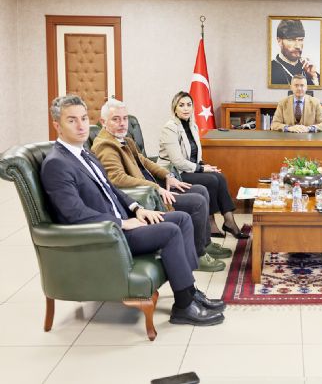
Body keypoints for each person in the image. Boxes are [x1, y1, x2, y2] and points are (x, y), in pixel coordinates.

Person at [41, 95, 224, 326]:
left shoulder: (83, 153)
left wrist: (137, 208)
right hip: (109, 234)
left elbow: (111, 188)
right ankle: (183, 306)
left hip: (124, 219)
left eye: (84, 118)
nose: (81, 125)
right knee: (170, 231)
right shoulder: (57, 163)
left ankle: (190, 291)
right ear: (57, 125)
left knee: (183, 219)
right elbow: (74, 214)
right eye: (72, 120)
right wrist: (122, 223)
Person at [92, 98, 231, 272]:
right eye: (116, 119)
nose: (122, 123)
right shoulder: (105, 146)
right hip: (144, 197)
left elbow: (145, 161)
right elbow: (117, 179)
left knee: (200, 190)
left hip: (153, 188)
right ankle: (197, 255)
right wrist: (156, 187)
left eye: (125, 118)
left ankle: (204, 243)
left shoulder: (123, 140)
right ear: (103, 121)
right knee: (197, 202)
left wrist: (167, 175)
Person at [158, 91, 250, 240]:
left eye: (189, 105)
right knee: (211, 180)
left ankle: (229, 221)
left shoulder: (192, 126)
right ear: (175, 108)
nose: (186, 108)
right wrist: (201, 169)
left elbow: (195, 155)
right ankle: (211, 224)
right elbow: (177, 161)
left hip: (189, 169)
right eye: (181, 105)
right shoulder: (170, 128)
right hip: (173, 173)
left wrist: (205, 166)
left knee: (219, 177)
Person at [270, 19, 320, 86]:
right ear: (279, 41)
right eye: (291, 40)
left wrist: (313, 77)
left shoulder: (311, 72)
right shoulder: (270, 70)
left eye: (300, 40)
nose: (297, 46)